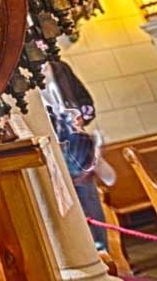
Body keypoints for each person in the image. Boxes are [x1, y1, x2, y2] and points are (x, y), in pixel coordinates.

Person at [42, 57, 116, 252]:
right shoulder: (19, 77)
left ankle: (103, 254)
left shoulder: (60, 68)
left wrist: (82, 116)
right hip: (49, 147)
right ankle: (80, 255)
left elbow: (86, 101)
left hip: (74, 141)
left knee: (89, 201)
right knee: (64, 210)